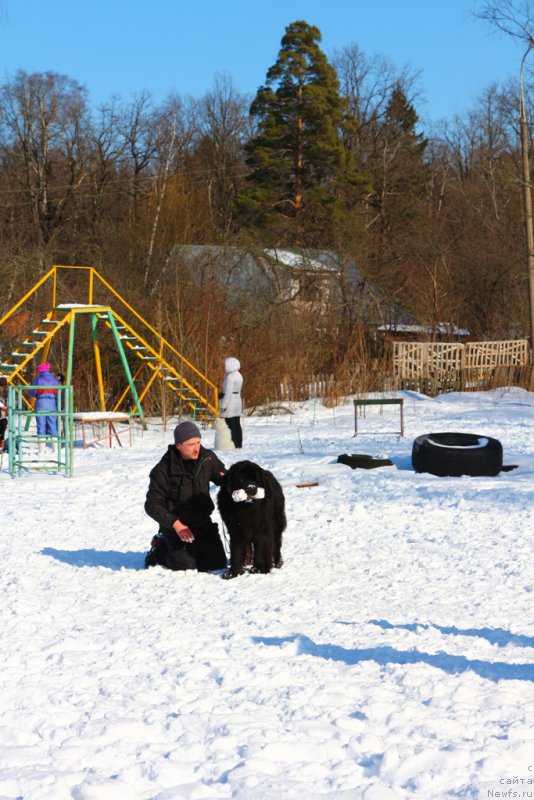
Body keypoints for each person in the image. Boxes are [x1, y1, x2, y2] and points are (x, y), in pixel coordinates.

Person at [144, 421, 228, 572]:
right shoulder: (163, 469)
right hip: (176, 527)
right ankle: (159, 550)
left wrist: (234, 480)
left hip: (202, 522)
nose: (197, 448)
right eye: (191, 444)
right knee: (187, 565)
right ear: (178, 445)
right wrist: (175, 524)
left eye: (198, 442)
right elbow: (151, 505)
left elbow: (223, 476)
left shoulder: (207, 458)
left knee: (217, 563)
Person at [28, 362, 60, 449]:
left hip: (41, 403)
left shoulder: (38, 380)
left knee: (41, 426)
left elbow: (31, 392)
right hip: (52, 404)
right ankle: (55, 449)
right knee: (53, 425)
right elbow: (59, 392)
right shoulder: (54, 380)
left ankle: (41, 450)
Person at [220, 356, 243, 449]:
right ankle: (239, 443)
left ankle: (233, 443)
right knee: (237, 423)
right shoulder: (239, 375)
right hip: (237, 400)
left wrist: (223, 405)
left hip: (230, 402)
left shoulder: (230, 376)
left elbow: (228, 392)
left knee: (230, 424)